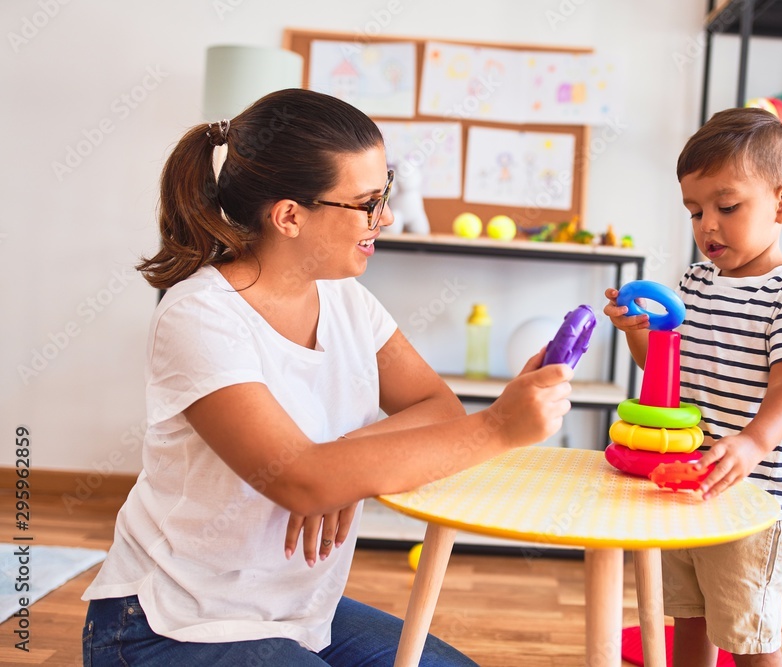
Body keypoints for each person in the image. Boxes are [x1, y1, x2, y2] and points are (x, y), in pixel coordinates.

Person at [81, 88, 573, 666]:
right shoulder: (198, 316)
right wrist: (499, 429)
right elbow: (298, 481)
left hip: (298, 610)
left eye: (384, 192)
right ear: (289, 215)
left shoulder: (348, 303)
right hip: (168, 623)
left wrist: (344, 459)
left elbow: (435, 406)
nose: (384, 216)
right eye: (366, 202)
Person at [604, 107, 782, 667]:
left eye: (727, 207)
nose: (708, 224)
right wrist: (638, 334)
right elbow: (664, 372)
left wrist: (753, 444)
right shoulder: (694, 284)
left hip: (755, 503)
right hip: (689, 486)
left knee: (749, 635)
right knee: (690, 614)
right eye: (695, 210)